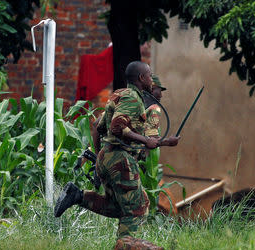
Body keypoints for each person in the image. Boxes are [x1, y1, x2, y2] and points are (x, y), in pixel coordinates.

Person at [54, 61, 179, 240]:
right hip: (121, 159)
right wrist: (146, 140)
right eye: (150, 76)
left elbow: (98, 125)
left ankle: (77, 196)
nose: (152, 80)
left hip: (108, 156)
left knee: (118, 206)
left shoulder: (120, 94)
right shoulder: (134, 100)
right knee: (137, 208)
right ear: (142, 78)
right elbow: (117, 127)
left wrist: (99, 157)